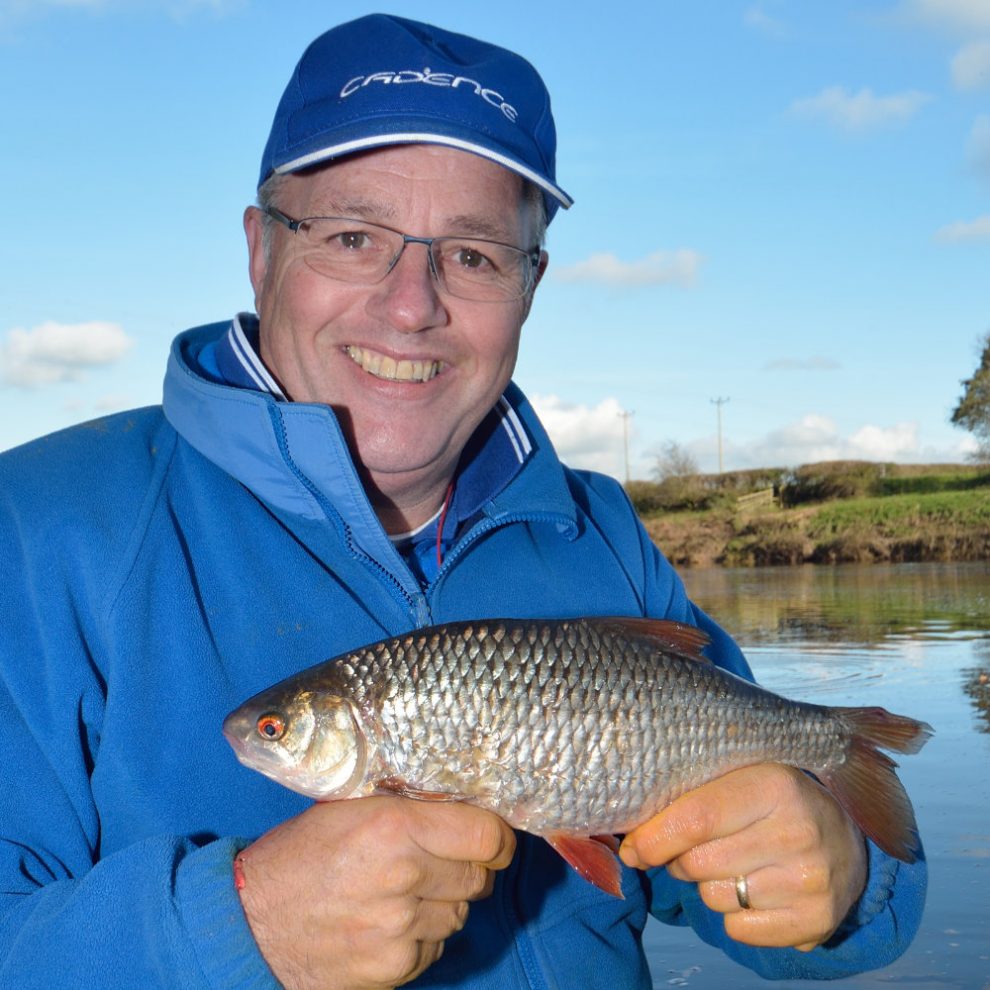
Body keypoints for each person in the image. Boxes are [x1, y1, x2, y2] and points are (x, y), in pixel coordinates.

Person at [0, 13, 926, 990]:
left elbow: (786, 894)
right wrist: (231, 930)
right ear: (260, 250)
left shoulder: (604, 531)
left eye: (474, 254)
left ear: (531, 285)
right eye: (354, 235)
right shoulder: (34, 526)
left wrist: (842, 874)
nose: (413, 305)